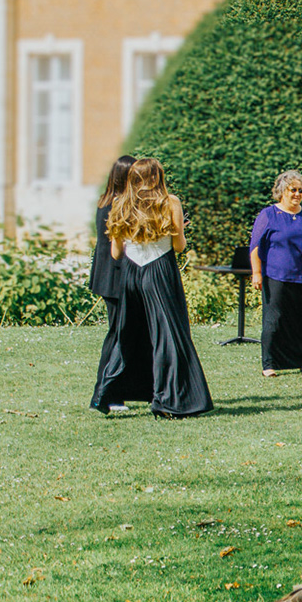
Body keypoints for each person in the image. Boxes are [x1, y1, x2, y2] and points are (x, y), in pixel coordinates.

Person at [91, 158, 213, 417]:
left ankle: (106, 392)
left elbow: (115, 253)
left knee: (126, 333)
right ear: (157, 177)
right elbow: (179, 246)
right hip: (160, 271)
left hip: (131, 273)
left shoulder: (121, 203)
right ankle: (170, 399)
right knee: (169, 334)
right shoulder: (171, 202)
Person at [89, 155, 150, 411]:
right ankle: (105, 394)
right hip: (115, 277)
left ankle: (117, 392)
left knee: (120, 334)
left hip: (106, 276)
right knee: (118, 335)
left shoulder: (105, 201)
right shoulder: (118, 204)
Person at [250, 170, 302, 375]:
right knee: (274, 320)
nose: (297, 194)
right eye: (293, 190)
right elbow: (255, 246)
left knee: (300, 319)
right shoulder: (268, 215)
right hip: (275, 276)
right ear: (282, 191)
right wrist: (256, 273)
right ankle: (269, 364)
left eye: (301, 191)